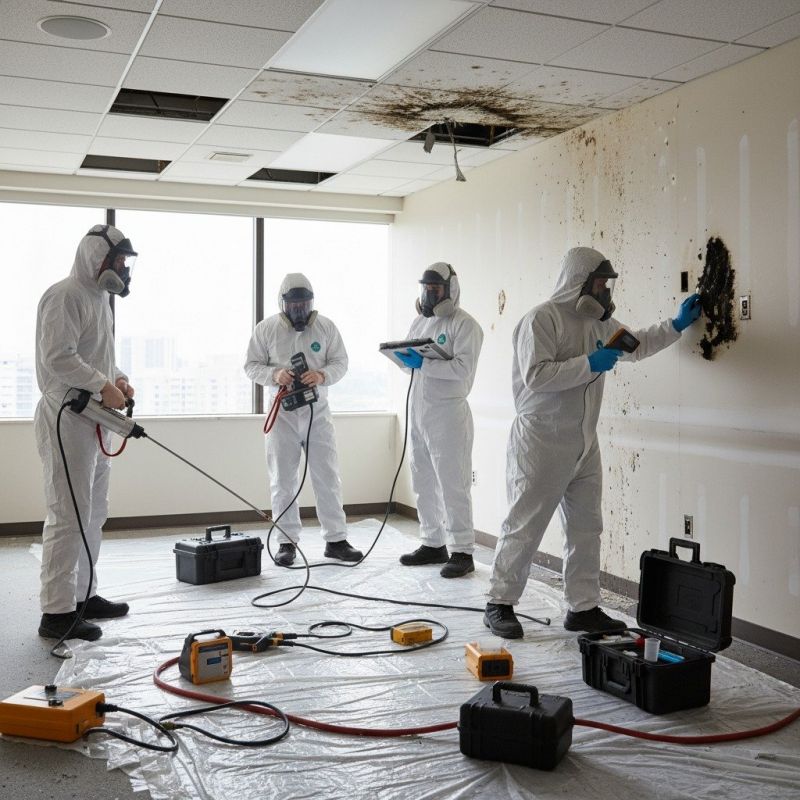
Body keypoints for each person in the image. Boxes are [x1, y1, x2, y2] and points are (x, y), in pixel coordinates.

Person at [484, 247, 702, 638]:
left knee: (587, 527)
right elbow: (536, 376)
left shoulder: (601, 323)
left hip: (584, 442)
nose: (606, 289)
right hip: (541, 441)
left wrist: (675, 324)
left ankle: (582, 608)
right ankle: (499, 602)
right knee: (525, 524)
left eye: (607, 283)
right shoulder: (541, 319)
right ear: (579, 281)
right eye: (601, 282)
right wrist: (589, 364)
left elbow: (637, 345)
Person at [35, 224, 138, 642]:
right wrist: (102, 385)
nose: (124, 269)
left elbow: (99, 358)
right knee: (68, 512)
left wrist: (120, 380)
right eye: (118, 261)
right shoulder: (64, 296)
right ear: (97, 258)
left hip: (95, 417)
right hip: (68, 417)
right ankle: (56, 612)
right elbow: (59, 358)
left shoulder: (101, 300)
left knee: (94, 512)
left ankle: (83, 596)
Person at [245, 273, 361, 566]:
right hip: (282, 413)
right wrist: (275, 374)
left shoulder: (326, 327)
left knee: (327, 476)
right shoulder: (266, 329)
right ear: (283, 303)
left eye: (304, 304)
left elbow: (341, 362)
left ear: (312, 302)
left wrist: (322, 376)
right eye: (294, 305)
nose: (299, 311)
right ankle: (286, 542)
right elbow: (250, 365)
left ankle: (336, 539)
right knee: (283, 479)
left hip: (317, 413)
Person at [394, 262, 484, 578]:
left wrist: (425, 364)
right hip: (419, 410)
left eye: (436, 290)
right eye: (426, 290)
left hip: (448, 415)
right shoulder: (420, 322)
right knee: (422, 479)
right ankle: (433, 543)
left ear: (451, 290)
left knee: (453, 484)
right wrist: (404, 360)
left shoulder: (466, 326)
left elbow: (463, 371)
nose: (430, 296)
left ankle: (462, 550)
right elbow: (409, 365)